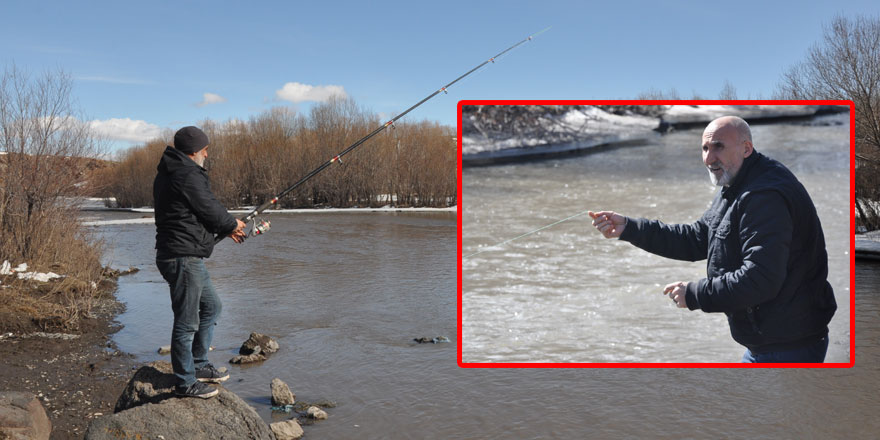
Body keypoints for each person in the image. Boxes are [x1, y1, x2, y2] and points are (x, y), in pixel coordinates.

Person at [588, 116, 836, 363]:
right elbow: (697, 238)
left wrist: (695, 294)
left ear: (746, 148)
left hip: (788, 347)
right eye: (705, 148)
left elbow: (761, 279)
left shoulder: (763, 195)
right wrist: (629, 228)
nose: (708, 158)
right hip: (768, 343)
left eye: (718, 146)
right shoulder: (738, 182)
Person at [154, 126, 247, 398]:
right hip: (182, 257)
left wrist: (227, 228)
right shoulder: (185, 173)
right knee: (186, 322)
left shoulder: (173, 171)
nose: (207, 154)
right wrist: (231, 224)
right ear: (194, 150)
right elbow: (207, 206)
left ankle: (198, 364)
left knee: (211, 307)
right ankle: (185, 383)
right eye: (205, 149)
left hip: (184, 254)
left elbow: (194, 212)